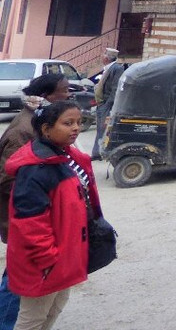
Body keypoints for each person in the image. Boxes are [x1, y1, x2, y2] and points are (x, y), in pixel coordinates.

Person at [6, 100, 105, 330]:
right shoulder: (36, 168)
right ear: (46, 129)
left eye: (79, 122)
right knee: (32, 319)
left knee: (54, 309)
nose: (76, 128)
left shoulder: (65, 158)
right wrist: (49, 260)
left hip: (65, 254)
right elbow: (30, 223)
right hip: (46, 261)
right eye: (67, 123)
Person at [0, 75, 71, 330]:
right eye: (64, 91)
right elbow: (8, 179)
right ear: (48, 95)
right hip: (22, 219)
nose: (68, 94)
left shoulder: (40, 123)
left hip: (34, 217)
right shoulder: (24, 131)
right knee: (16, 279)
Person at [91, 47, 123, 160]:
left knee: (103, 128)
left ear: (107, 58)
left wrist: (107, 104)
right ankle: (97, 152)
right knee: (100, 128)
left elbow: (115, 89)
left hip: (106, 105)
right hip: (101, 104)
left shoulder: (117, 68)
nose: (102, 57)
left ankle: (99, 153)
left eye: (104, 55)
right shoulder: (107, 68)